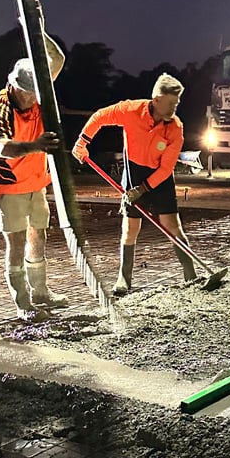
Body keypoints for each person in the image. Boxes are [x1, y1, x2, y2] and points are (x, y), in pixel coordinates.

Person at [71, 74, 196, 297]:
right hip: (134, 175)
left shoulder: (175, 127)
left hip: (159, 178)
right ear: (157, 99)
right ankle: (124, 279)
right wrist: (83, 141)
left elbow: (166, 168)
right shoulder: (130, 110)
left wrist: (143, 190)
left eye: (177, 103)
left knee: (173, 227)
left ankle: (191, 275)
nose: (175, 108)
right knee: (130, 230)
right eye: (171, 103)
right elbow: (100, 117)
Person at [0, 27, 67, 318]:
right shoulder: (1, 106)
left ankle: (41, 291)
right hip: (9, 183)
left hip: (35, 180)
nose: (34, 99)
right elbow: (1, 146)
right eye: (29, 93)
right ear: (16, 87)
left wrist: (38, 29)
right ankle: (23, 302)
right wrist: (35, 146)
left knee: (39, 235)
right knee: (16, 241)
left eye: (36, 93)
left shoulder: (38, 93)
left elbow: (57, 59)